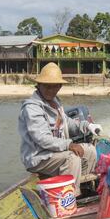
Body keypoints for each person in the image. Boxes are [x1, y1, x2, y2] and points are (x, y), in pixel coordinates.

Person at [18, 62, 102, 196]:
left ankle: (83, 187)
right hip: (39, 157)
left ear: (60, 86)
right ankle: (69, 198)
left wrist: (86, 126)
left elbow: (67, 123)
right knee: (71, 158)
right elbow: (42, 139)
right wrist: (69, 144)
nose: (51, 90)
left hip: (56, 153)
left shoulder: (55, 103)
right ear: (39, 85)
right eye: (47, 86)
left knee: (90, 150)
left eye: (55, 86)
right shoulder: (32, 108)